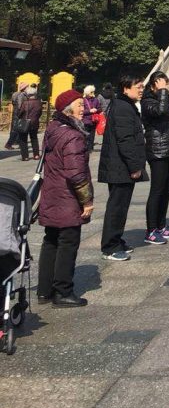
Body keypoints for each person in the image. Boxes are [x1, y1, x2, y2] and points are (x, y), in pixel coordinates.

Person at [37, 89, 94, 307]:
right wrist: (86, 201)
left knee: (51, 240)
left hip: (52, 194)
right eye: (80, 105)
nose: (84, 109)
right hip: (67, 197)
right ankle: (63, 291)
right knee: (68, 242)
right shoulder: (72, 135)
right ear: (67, 109)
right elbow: (76, 173)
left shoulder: (53, 129)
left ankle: (45, 290)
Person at [98, 75, 147, 261]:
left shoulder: (125, 105)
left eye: (142, 86)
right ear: (125, 88)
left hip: (121, 165)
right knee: (116, 206)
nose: (141, 89)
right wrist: (135, 166)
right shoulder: (123, 108)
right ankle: (110, 246)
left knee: (121, 205)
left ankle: (116, 239)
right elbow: (125, 139)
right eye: (138, 86)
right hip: (120, 166)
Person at [141, 71, 169, 246]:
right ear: (153, 85)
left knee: (167, 188)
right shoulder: (147, 102)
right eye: (161, 83)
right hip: (157, 149)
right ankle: (151, 229)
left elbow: (167, 119)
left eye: (166, 83)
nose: (165, 86)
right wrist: (162, 92)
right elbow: (159, 113)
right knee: (157, 189)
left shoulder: (165, 99)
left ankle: (161, 224)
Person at [17, 83, 43, 161]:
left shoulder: (25, 103)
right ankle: (36, 155)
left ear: (28, 94)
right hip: (35, 122)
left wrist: (19, 116)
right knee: (34, 138)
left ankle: (25, 156)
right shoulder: (39, 103)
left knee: (23, 139)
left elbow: (20, 113)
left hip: (25, 122)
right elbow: (40, 113)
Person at [81, 85, 102, 153]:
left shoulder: (96, 100)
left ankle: (90, 148)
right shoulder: (83, 100)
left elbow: (100, 108)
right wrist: (89, 111)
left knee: (92, 136)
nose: (93, 93)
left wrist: (96, 110)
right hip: (85, 120)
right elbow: (81, 111)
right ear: (87, 92)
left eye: (93, 92)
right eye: (91, 92)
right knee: (85, 135)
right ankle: (84, 148)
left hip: (93, 120)